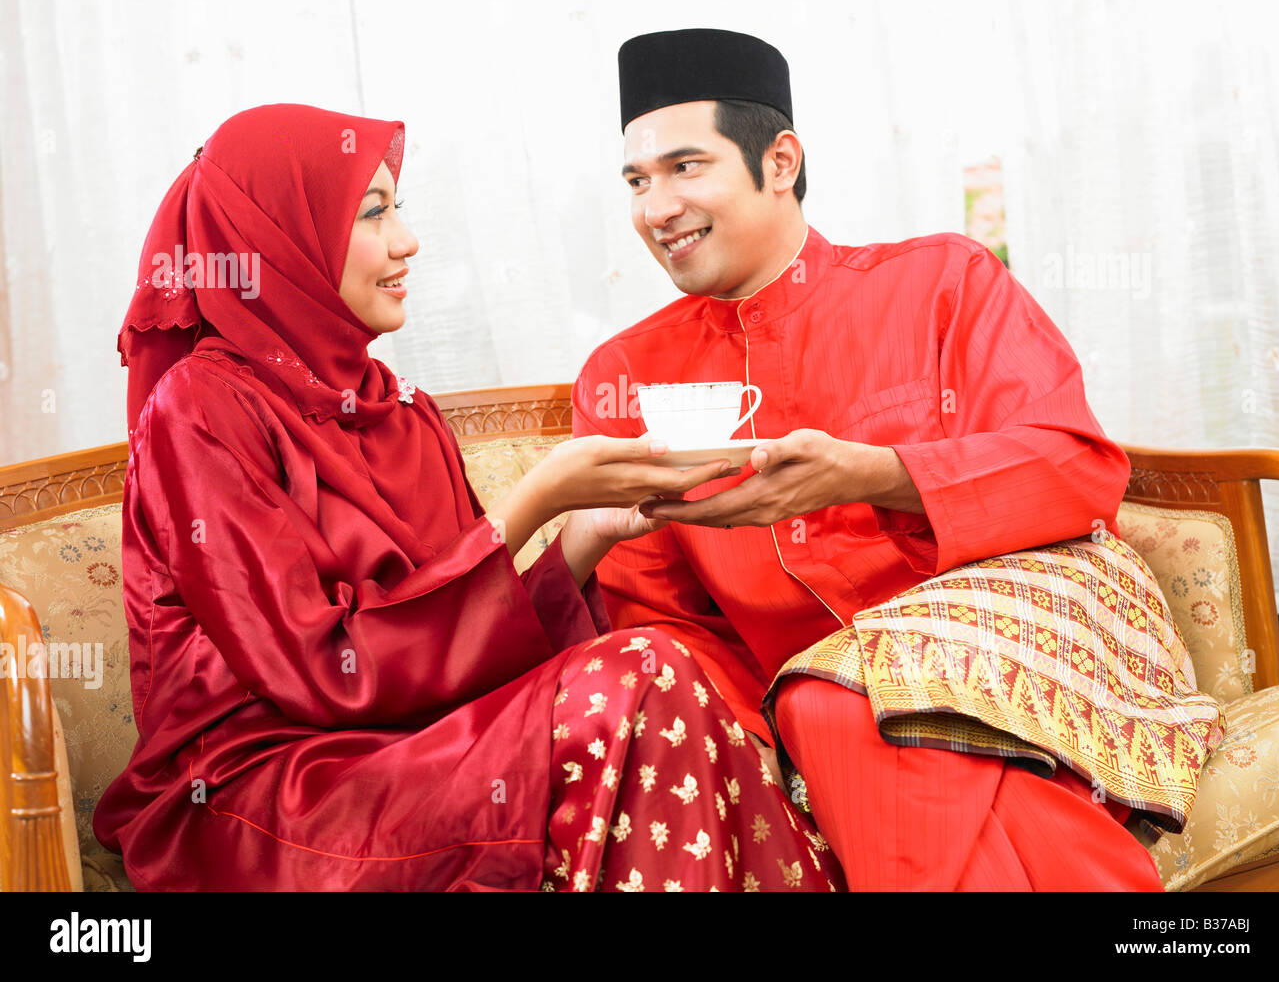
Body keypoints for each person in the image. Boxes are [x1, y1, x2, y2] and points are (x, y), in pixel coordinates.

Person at [92, 102, 843, 892]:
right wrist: (536, 497)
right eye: (372, 212)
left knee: (663, 669)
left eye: (398, 209)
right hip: (268, 792)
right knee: (641, 674)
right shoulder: (201, 407)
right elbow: (319, 666)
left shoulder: (401, 408)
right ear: (282, 236)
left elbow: (462, 650)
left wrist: (588, 531)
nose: (406, 241)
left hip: (419, 748)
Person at [569, 29, 1206, 891]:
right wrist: (764, 751)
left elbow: (1072, 469)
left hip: (1018, 645)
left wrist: (875, 475)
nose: (655, 207)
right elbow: (660, 618)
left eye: (687, 167)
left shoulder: (941, 282)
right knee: (832, 705)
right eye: (638, 181)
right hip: (817, 720)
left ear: (781, 160)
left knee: (845, 697)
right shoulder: (624, 376)